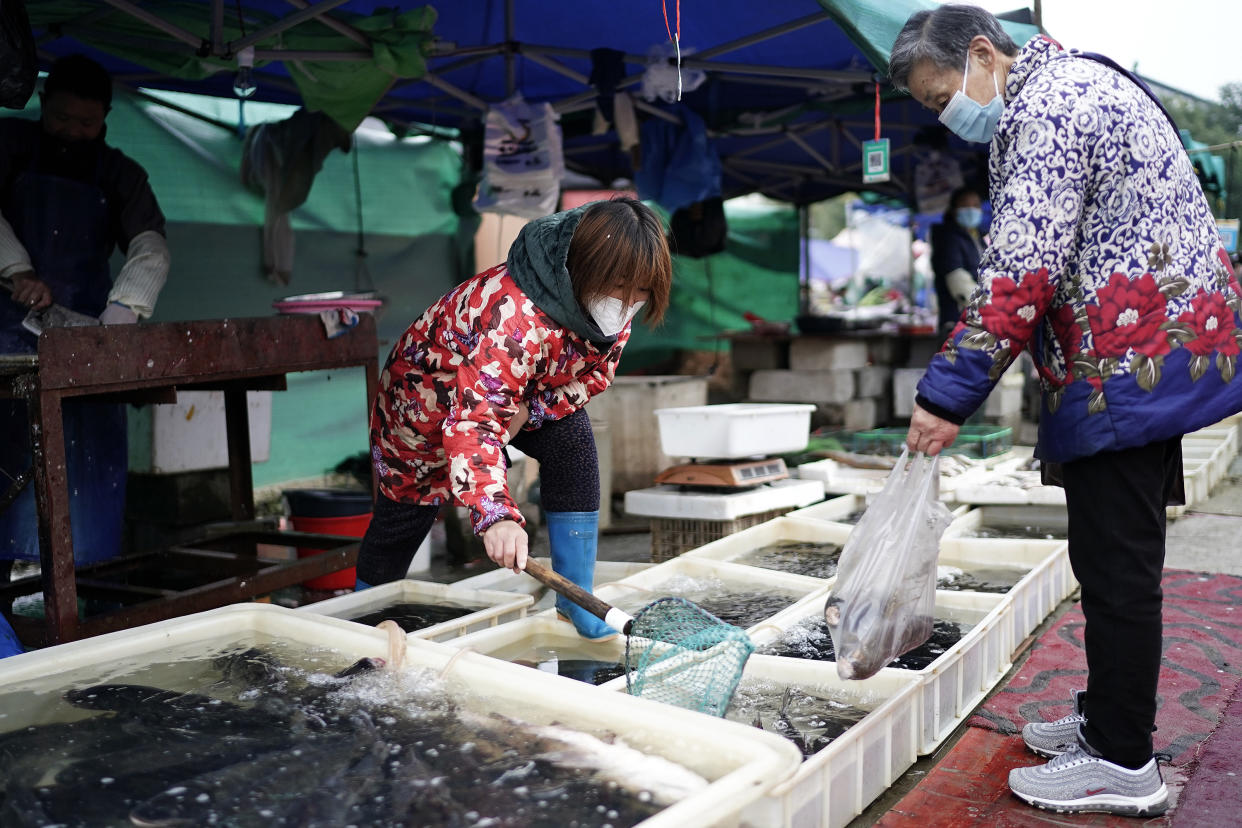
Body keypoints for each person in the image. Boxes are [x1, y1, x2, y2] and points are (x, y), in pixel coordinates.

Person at [889, 4, 1242, 817]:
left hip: (1126, 361)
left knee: (1116, 566)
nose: (948, 117)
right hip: (1145, 351)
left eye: (943, 96)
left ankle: (1123, 762)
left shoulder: (1048, 107)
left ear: (983, 52)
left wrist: (948, 393)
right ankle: (1105, 716)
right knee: (1114, 553)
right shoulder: (1074, 83)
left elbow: (1021, 267)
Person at [358, 197, 671, 641]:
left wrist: (533, 410)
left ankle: (577, 601)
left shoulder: (611, 306)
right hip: (424, 403)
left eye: (641, 291)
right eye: (620, 287)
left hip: (518, 395)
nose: (627, 303)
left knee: (573, 441)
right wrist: (496, 515)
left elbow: (598, 373)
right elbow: (475, 423)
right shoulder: (515, 318)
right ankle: (365, 622)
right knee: (405, 515)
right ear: (584, 269)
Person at [0, 55, 170, 576]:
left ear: (106, 119)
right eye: (62, 118)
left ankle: (86, 608)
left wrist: (120, 316)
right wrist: (16, 270)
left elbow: (151, 246)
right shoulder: (7, 145)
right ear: (42, 103)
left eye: (87, 123)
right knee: (6, 473)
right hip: (7, 341)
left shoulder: (121, 174)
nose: (73, 132)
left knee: (83, 496)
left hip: (82, 354)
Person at [930, 185, 985, 332]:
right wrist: (986, 308)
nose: (971, 210)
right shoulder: (948, 238)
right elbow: (957, 280)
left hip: (977, 317)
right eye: (965, 205)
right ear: (954, 209)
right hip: (958, 319)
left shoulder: (977, 237)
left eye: (976, 205)